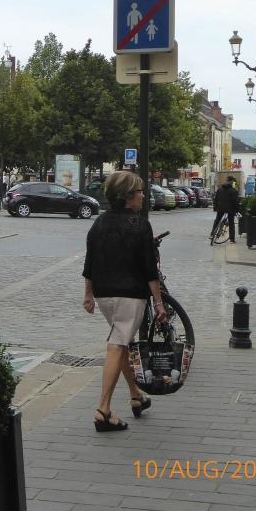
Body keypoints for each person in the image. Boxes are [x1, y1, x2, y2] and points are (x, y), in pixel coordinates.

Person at [82, 171, 167, 432]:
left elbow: (90, 261)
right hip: (131, 295)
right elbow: (149, 269)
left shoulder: (99, 223)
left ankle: (136, 395)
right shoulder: (140, 224)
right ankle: (103, 409)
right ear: (128, 197)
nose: (143, 195)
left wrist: (88, 294)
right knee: (117, 345)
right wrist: (159, 303)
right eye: (139, 191)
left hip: (104, 294)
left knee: (123, 342)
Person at [212, 176, 239, 243]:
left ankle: (212, 234)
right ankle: (232, 239)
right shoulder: (233, 191)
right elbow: (235, 202)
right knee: (231, 223)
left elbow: (216, 199)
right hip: (230, 209)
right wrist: (237, 210)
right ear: (232, 181)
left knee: (217, 220)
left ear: (226, 181)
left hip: (220, 208)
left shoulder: (219, 189)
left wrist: (215, 207)